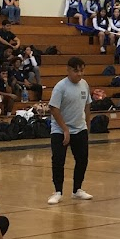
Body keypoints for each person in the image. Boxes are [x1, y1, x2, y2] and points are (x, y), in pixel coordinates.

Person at [47, 57, 93, 204]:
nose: (79, 74)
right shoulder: (60, 87)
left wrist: (87, 124)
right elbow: (54, 109)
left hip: (79, 129)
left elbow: (87, 105)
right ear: (68, 70)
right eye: (76, 71)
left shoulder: (84, 84)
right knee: (58, 161)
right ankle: (58, 191)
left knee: (82, 160)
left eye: (81, 70)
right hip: (60, 130)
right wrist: (65, 129)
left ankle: (77, 190)